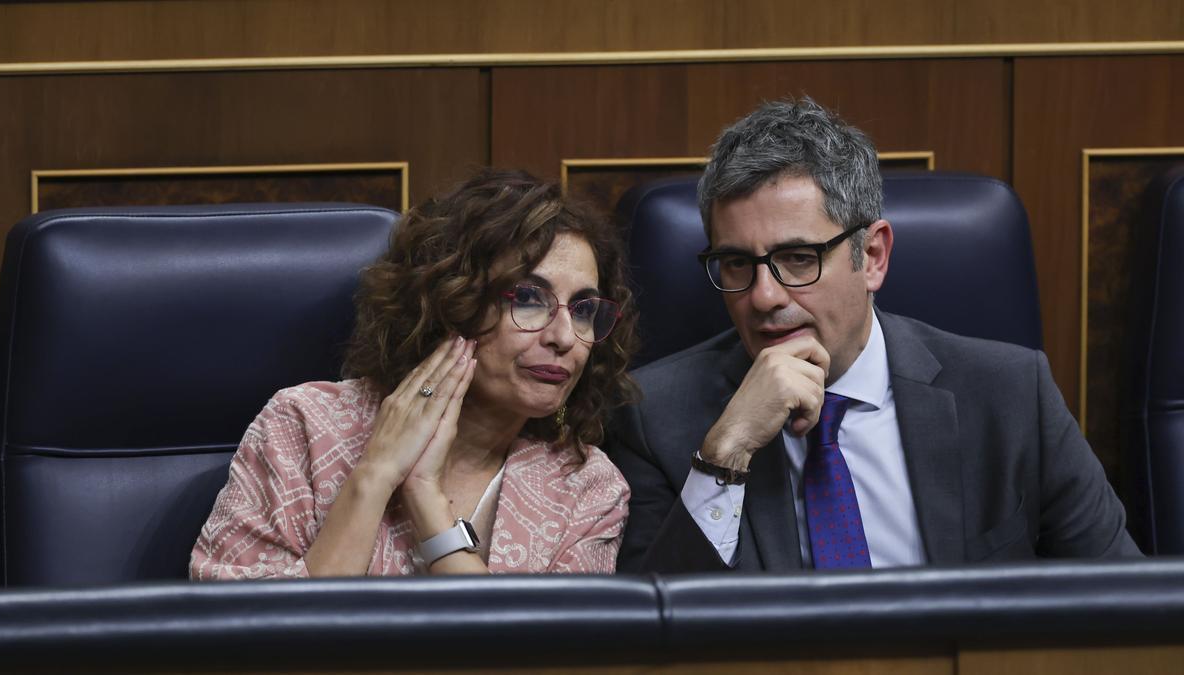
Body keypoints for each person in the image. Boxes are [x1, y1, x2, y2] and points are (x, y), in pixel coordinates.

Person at [605, 97, 1141, 573]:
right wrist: (726, 454)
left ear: (873, 257)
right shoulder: (654, 418)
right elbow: (650, 640)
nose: (763, 296)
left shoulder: (1012, 396)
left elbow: (1127, 612)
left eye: (798, 258)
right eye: (737, 263)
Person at [191, 169, 638, 578]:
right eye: (527, 298)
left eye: (583, 309)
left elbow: (535, 662)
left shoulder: (587, 486)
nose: (565, 337)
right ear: (451, 304)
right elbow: (249, 641)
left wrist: (426, 498)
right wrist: (375, 475)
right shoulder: (304, 427)